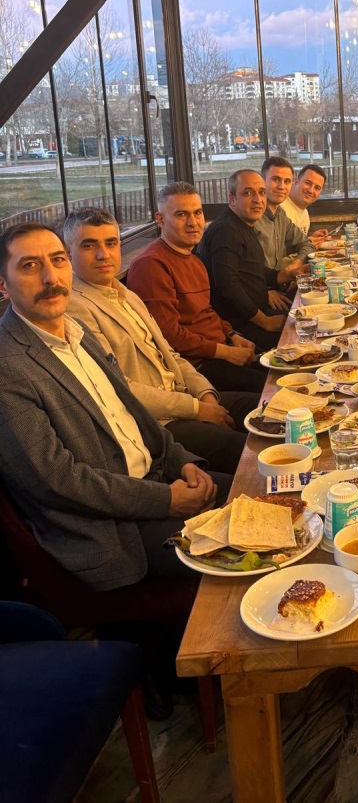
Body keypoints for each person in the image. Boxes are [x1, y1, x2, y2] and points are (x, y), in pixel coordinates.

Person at [0, 223, 231, 593]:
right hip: (114, 531)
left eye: (58, 260)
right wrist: (166, 500)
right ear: (3, 285)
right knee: (257, 550)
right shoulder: (8, 366)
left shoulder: (76, 330)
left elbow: (134, 416)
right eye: (29, 266)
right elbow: (57, 482)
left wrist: (183, 461)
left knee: (274, 497)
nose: (50, 277)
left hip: (159, 481)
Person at [65, 208, 259, 475]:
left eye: (111, 243)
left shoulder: (123, 293)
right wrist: (196, 409)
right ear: (68, 254)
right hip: (155, 424)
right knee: (254, 452)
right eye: (89, 246)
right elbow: (119, 388)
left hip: (184, 396)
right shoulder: (74, 307)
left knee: (272, 406)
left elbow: (170, 353)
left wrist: (206, 394)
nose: (103, 254)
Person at [127, 182, 269, 394]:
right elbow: (169, 336)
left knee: (288, 367)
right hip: (198, 367)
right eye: (181, 215)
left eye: (197, 213)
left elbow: (206, 311)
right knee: (276, 388)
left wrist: (232, 335)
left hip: (221, 348)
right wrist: (225, 352)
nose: (193, 223)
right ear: (160, 220)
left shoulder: (193, 259)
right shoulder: (151, 265)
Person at [196, 169, 288, 351]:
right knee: (302, 334)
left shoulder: (243, 224)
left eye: (262, 192)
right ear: (232, 199)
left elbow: (253, 271)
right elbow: (228, 286)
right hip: (240, 327)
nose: (258, 199)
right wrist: (266, 322)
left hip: (256, 314)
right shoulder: (226, 230)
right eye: (247, 193)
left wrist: (286, 275)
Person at [253, 157, 314, 310]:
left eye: (286, 181)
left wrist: (295, 265)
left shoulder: (280, 214)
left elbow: (307, 243)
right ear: (262, 181)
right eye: (275, 179)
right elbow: (239, 272)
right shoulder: (252, 216)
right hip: (260, 294)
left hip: (278, 285)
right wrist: (264, 293)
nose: (281, 186)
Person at [282, 163, 330, 247]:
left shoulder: (305, 213)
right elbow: (274, 250)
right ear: (296, 182)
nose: (311, 190)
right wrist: (306, 243)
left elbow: (295, 244)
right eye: (308, 183)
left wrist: (310, 239)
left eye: (317, 188)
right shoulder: (280, 208)